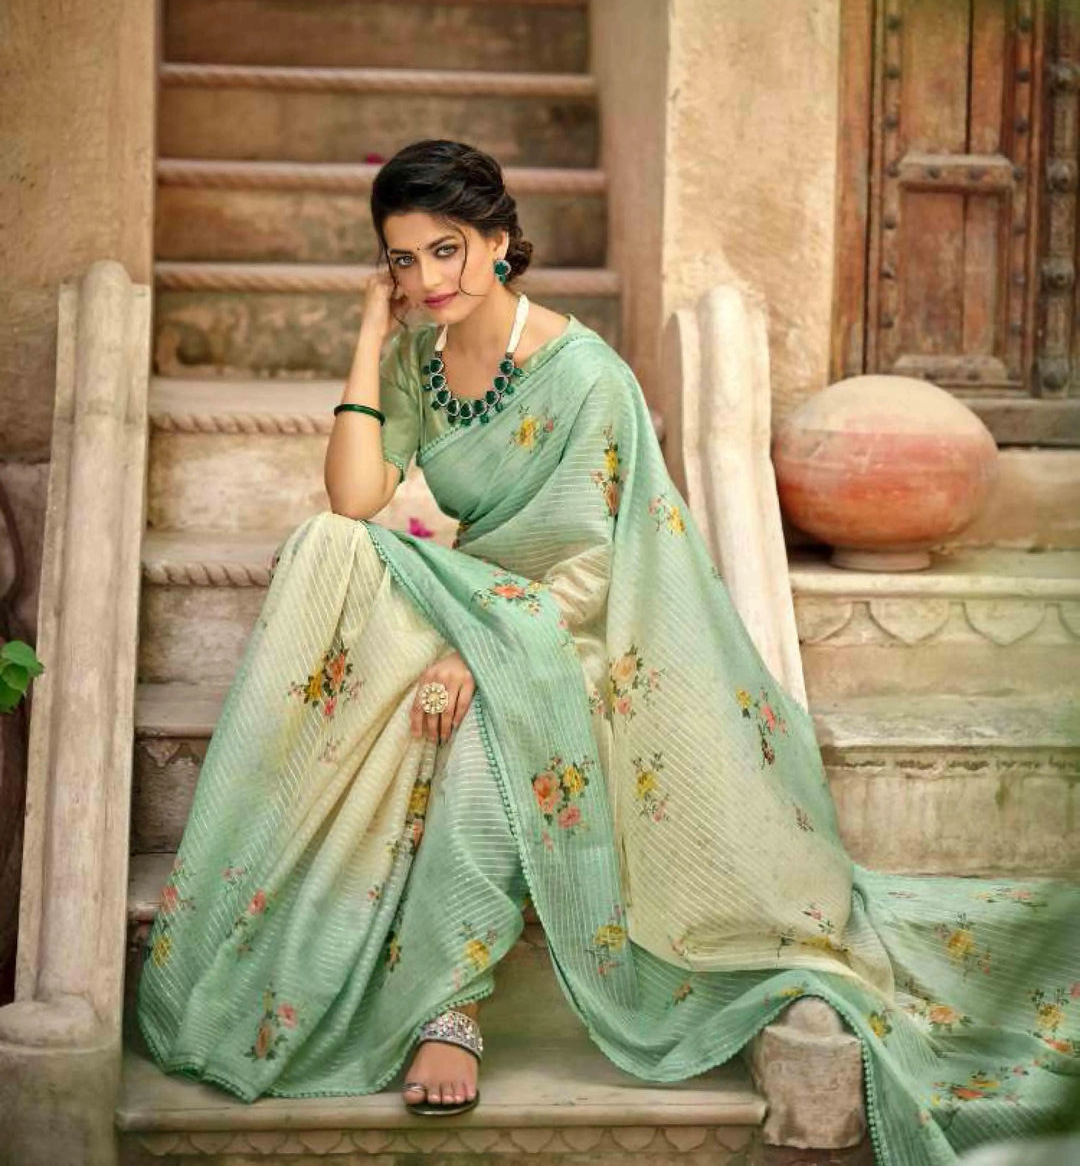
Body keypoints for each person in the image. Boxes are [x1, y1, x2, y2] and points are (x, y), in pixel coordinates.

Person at [138, 141, 1080, 1164]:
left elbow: (594, 570)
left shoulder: (586, 376)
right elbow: (356, 499)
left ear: (499, 244)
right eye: (402, 261)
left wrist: (480, 654)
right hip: (481, 605)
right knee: (327, 548)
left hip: (572, 625)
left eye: (447, 251)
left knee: (497, 714)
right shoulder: (416, 356)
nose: (427, 280)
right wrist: (369, 336)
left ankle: (448, 1004)